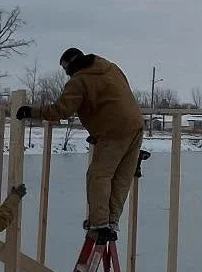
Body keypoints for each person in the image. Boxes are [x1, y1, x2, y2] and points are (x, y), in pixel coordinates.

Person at [17, 48, 144, 243]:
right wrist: (98, 132)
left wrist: (31, 111)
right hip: (135, 126)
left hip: (114, 131)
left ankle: (99, 224)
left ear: (70, 65)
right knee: (121, 177)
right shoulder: (110, 68)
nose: (66, 74)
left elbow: (61, 111)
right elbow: (111, 101)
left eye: (65, 69)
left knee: (98, 176)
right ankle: (111, 221)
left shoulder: (79, 81)